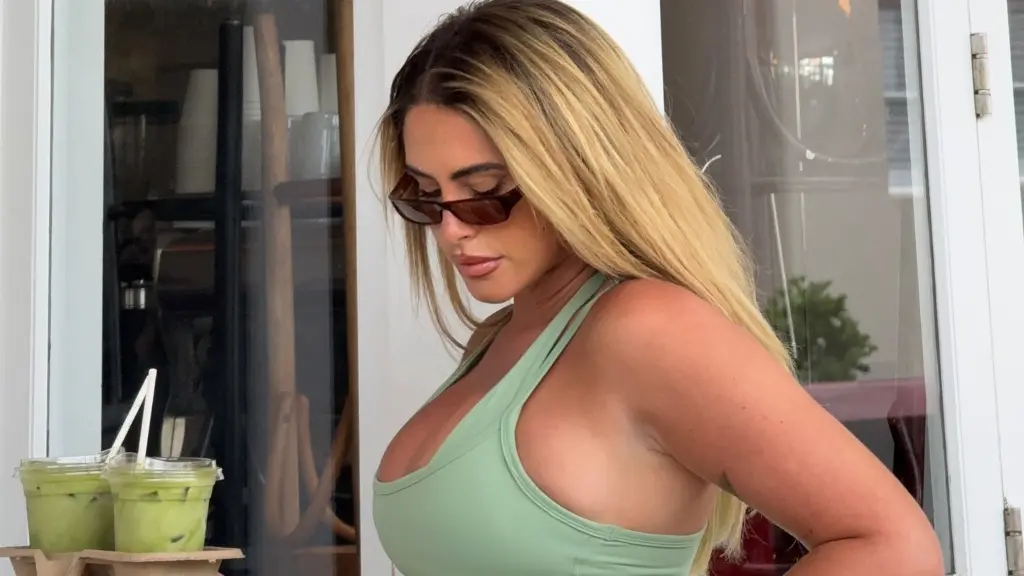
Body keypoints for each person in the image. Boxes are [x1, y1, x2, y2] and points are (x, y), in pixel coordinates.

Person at [372, 1, 943, 574]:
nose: (451, 230)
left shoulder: (649, 331)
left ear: (577, 168)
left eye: (485, 193)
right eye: (426, 196)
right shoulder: (499, 342)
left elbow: (892, 545)